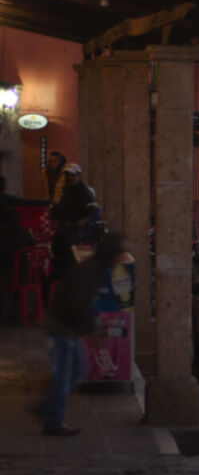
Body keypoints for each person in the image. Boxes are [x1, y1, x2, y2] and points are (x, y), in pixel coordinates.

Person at [37, 230, 125, 436]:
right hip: (62, 326)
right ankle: (52, 422)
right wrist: (93, 331)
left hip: (67, 326)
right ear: (112, 254)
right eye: (120, 254)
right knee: (65, 375)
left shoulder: (96, 269)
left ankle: (45, 408)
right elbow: (80, 305)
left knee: (75, 372)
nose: (122, 259)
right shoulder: (91, 271)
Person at [49, 164, 99, 278]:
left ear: (79, 176)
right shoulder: (65, 190)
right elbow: (62, 207)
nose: (69, 178)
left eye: (72, 175)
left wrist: (84, 221)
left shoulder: (86, 192)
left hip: (79, 229)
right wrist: (55, 213)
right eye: (67, 175)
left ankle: (69, 269)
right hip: (66, 226)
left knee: (66, 237)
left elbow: (93, 211)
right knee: (58, 238)